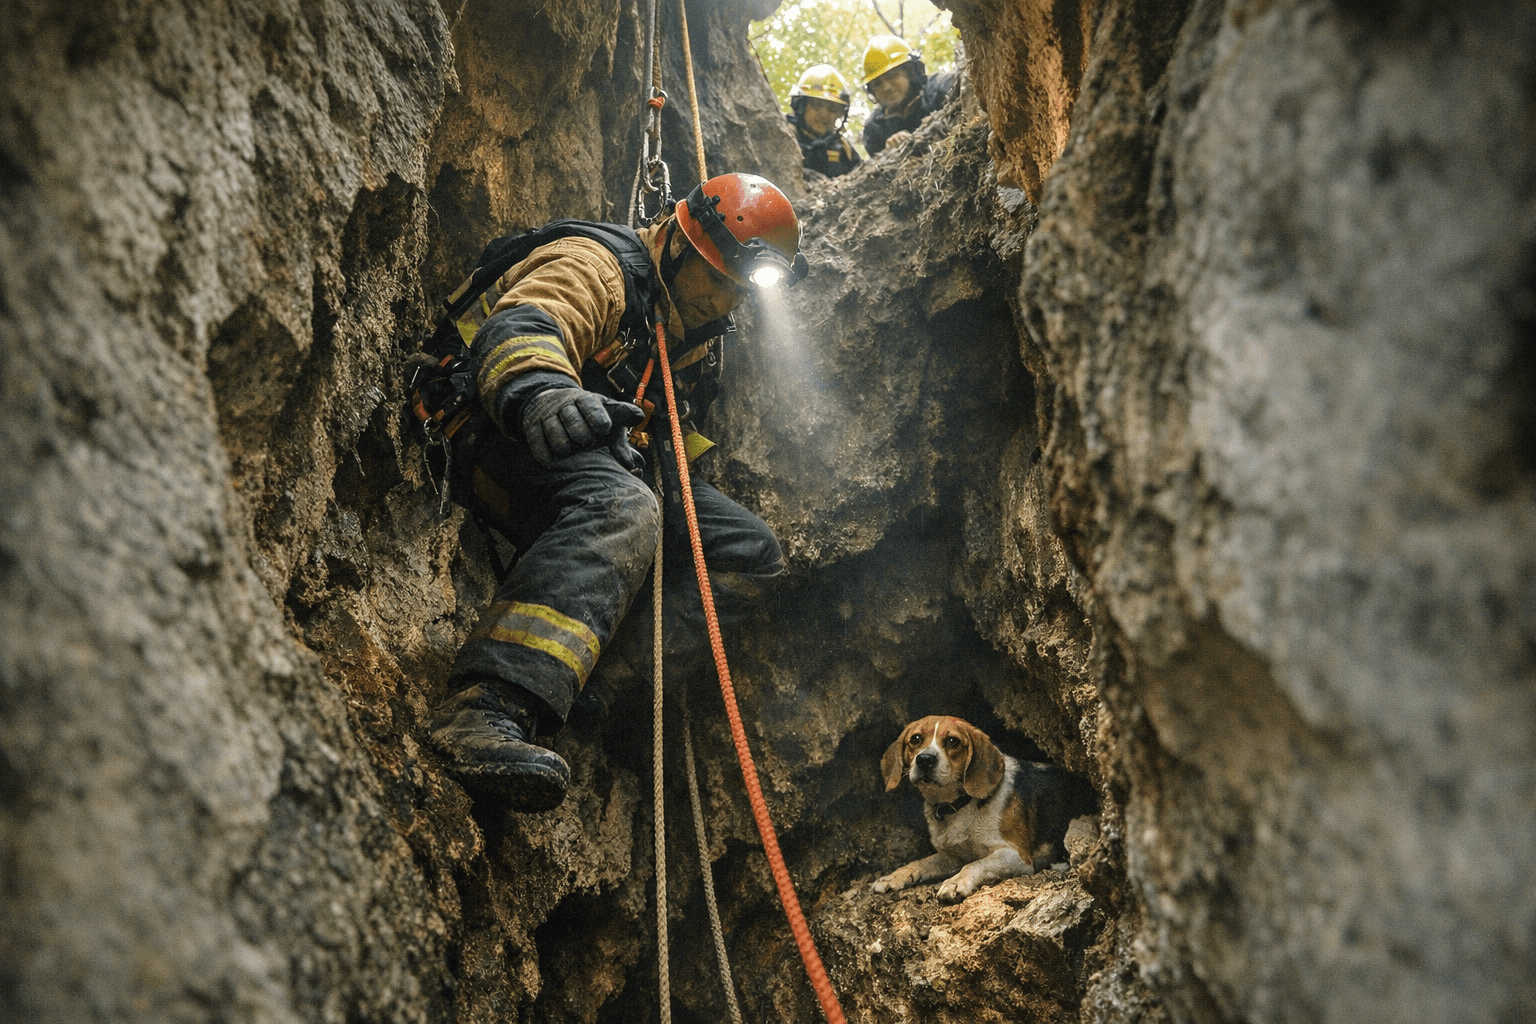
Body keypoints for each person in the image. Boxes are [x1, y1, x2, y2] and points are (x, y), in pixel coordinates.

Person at [423, 173, 808, 814]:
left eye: (739, 292)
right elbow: (525, 322)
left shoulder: (687, 340)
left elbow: (673, 450)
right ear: (679, 244)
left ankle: (586, 684)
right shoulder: (600, 266)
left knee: (748, 551)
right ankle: (485, 706)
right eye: (717, 280)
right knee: (626, 507)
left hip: (590, 460)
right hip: (494, 432)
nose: (725, 303)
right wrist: (545, 391)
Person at [859, 34, 958, 156]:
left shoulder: (942, 88)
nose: (886, 87)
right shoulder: (875, 130)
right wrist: (887, 154)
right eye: (877, 84)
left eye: (892, 76)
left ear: (910, 72)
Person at [786, 64, 861, 180]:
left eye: (833, 108)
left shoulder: (844, 148)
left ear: (840, 114)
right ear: (801, 105)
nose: (824, 114)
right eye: (817, 104)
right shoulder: (784, 136)